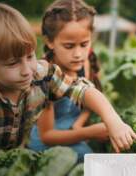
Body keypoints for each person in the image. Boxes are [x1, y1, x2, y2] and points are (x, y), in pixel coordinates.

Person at [0, 1, 136, 176]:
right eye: (13, 63)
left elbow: (82, 90)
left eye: (30, 56)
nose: (27, 70)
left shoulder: (42, 74)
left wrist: (113, 120)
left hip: (16, 169)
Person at [28, 0, 107, 162]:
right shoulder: (45, 78)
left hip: (75, 136)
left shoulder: (84, 63)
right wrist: (89, 132)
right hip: (46, 146)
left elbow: (88, 103)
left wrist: (78, 125)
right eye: (69, 46)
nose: (78, 54)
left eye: (84, 44)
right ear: (50, 42)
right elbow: (47, 136)